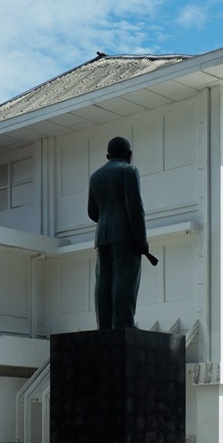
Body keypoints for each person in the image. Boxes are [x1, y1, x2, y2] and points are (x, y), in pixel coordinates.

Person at [87, 136, 149, 330]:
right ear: (129, 155)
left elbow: (92, 212)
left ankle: (104, 325)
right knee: (125, 279)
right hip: (125, 236)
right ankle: (123, 324)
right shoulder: (129, 170)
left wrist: (107, 219)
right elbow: (135, 207)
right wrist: (141, 239)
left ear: (108, 155)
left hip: (102, 236)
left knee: (104, 280)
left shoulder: (95, 176)